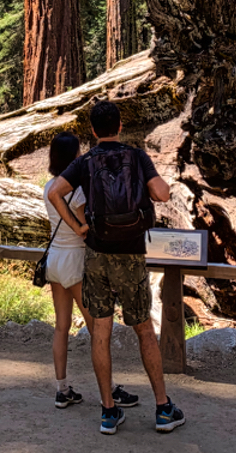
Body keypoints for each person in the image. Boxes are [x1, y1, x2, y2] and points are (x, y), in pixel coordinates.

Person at [47, 101, 185, 435]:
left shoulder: (84, 161)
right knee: (142, 330)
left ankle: (109, 412)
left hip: (96, 254)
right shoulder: (137, 156)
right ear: (119, 126)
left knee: (101, 332)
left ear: (93, 131)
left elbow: (54, 192)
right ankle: (163, 408)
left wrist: (79, 228)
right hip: (132, 254)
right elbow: (162, 194)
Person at [43, 132, 139, 410]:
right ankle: (108, 391)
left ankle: (62, 389)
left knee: (61, 327)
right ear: (73, 157)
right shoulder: (77, 191)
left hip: (55, 260)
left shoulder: (49, 186)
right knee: (98, 328)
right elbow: (87, 228)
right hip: (76, 261)